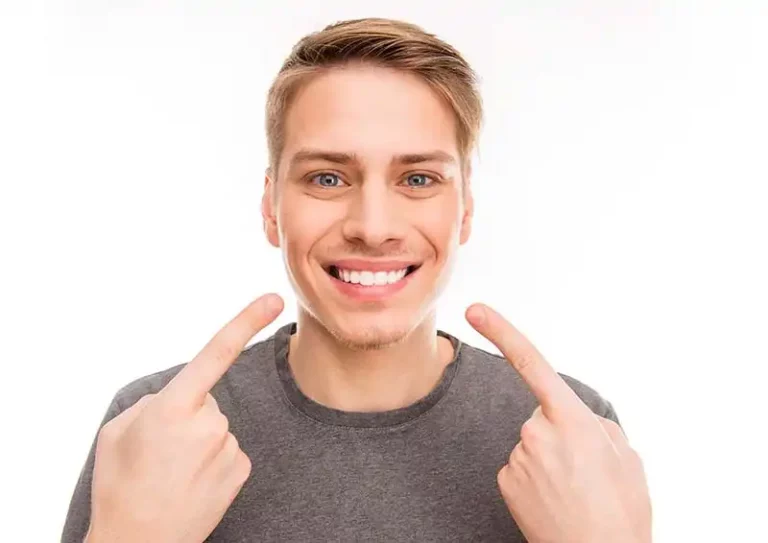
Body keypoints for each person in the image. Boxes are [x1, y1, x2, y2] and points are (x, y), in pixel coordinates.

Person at [61, 17, 651, 543]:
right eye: (327, 178)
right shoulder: (155, 425)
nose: (373, 228)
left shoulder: (572, 434)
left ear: (466, 208)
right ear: (271, 207)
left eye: (418, 179)